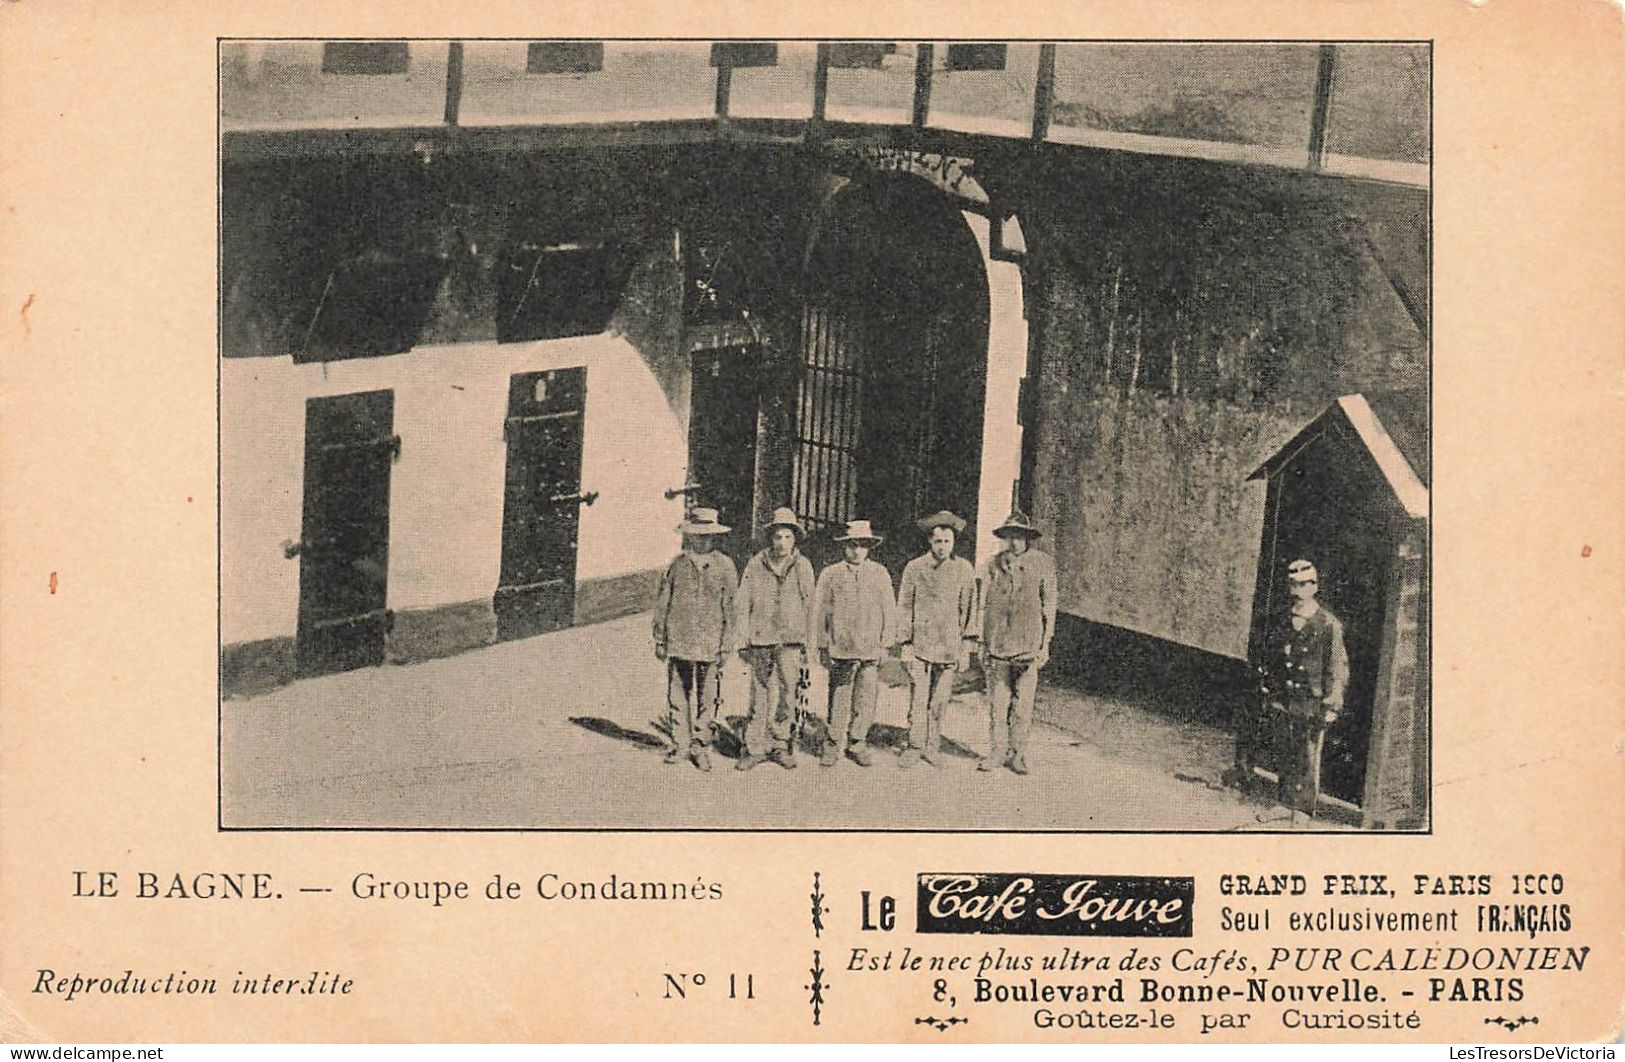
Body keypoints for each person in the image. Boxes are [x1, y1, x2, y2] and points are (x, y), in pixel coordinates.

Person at [1255, 559, 1349, 815]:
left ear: (1314, 587)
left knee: (1307, 755)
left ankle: (1304, 811)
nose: (1297, 590)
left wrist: (1332, 703)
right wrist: (1268, 685)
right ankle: (1285, 804)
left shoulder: (1328, 625)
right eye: (1293, 585)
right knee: (1285, 750)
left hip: (1312, 700)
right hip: (1284, 697)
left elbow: (1337, 667)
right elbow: (1272, 655)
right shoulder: (1282, 620)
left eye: (1303, 585)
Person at [651, 507, 738, 772]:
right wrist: (660, 638)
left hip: (710, 642)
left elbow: (731, 609)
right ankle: (681, 743)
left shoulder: (725, 566)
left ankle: (701, 745)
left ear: (715, 537)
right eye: (697, 535)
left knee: (708, 695)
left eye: (707, 536)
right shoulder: (677, 566)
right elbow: (663, 603)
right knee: (678, 693)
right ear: (689, 536)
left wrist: (726, 644)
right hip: (680, 640)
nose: (702, 540)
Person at [733, 507, 816, 771]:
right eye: (777, 537)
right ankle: (755, 746)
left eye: (787, 537)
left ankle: (780, 743)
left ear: (794, 540)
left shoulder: (802, 566)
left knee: (787, 692)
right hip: (761, 638)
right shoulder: (757, 564)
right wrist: (742, 636)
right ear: (771, 538)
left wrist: (809, 642)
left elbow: (811, 604)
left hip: (791, 640)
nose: (782, 543)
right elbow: (743, 600)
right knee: (760, 692)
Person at [809, 519, 896, 767]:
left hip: (870, 647)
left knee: (866, 697)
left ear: (869, 548)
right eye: (851, 545)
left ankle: (857, 741)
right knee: (840, 696)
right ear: (843, 547)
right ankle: (833, 742)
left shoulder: (879, 574)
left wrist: (885, 644)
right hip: (842, 647)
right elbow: (820, 611)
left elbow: (889, 610)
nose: (856, 551)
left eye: (862, 546)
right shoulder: (831, 574)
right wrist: (824, 644)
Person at [895, 510, 978, 768]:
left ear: (954, 543)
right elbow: (905, 606)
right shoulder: (915, 568)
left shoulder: (964, 570)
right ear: (929, 542)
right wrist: (906, 644)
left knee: (940, 700)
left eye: (947, 541)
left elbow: (970, 609)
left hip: (949, 647)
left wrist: (966, 648)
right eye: (937, 541)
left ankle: (932, 746)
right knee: (918, 698)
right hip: (920, 645)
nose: (942, 546)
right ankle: (914, 744)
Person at [976, 509, 1056, 775]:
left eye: (1019, 537)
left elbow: (1049, 606)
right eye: (1009, 537)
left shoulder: (1042, 564)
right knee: (998, 706)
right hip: (998, 646)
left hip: (1027, 647)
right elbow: (983, 605)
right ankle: (997, 752)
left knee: (1023, 708)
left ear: (1027, 539)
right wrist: (982, 642)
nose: (1013, 543)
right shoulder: (992, 565)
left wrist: (1045, 644)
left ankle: (1018, 754)